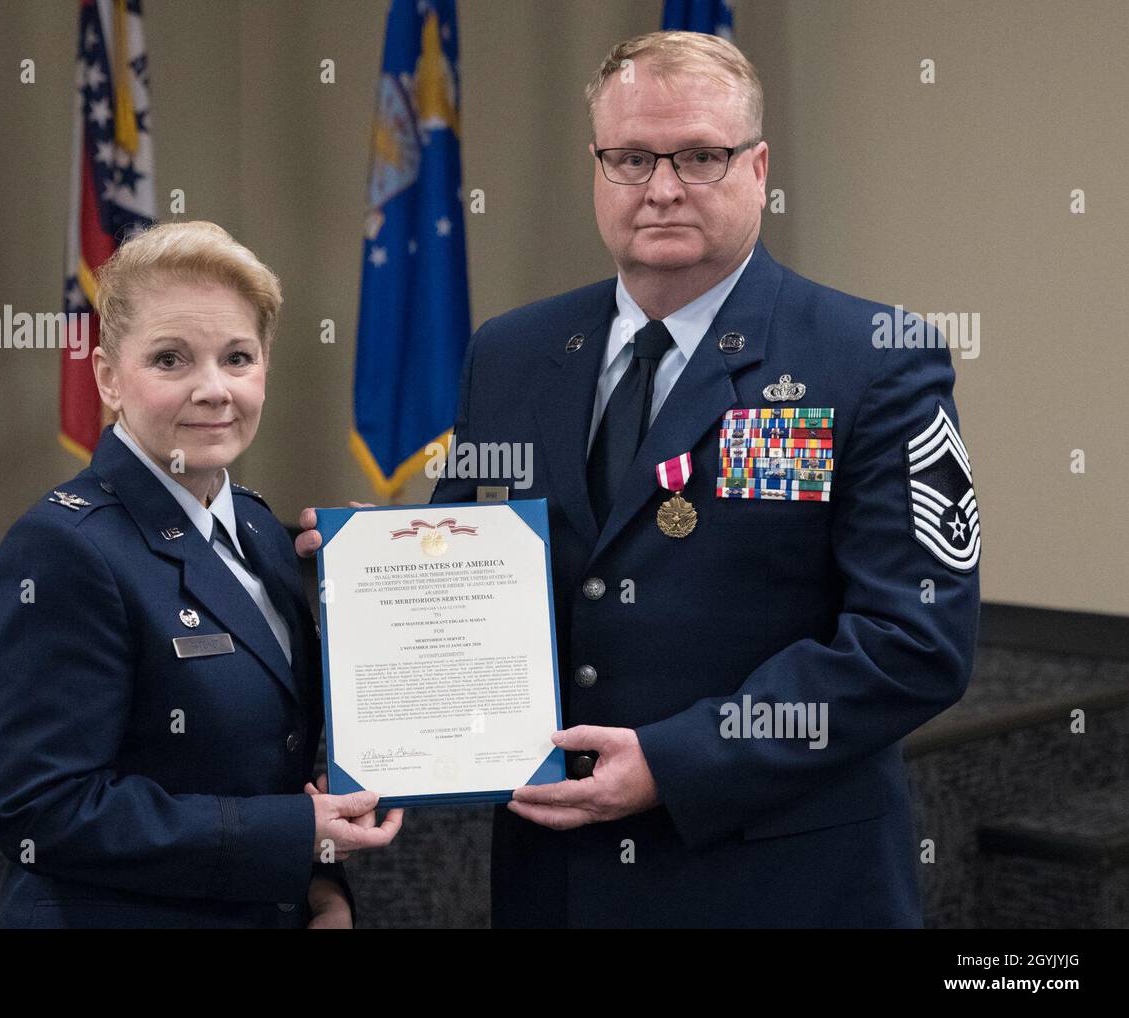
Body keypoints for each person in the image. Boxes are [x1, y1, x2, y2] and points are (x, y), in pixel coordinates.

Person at [299, 31, 980, 927]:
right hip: (560, 877)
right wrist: (373, 572)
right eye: (629, 158)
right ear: (597, 166)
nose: (660, 188)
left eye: (699, 155)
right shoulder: (511, 354)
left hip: (781, 882)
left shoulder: (871, 360)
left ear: (759, 166)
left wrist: (681, 759)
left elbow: (914, 644)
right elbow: (466, 569)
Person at [0, 220, 401, 929]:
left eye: (237, 358)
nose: (213, 389)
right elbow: (42, 810)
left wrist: (322, 887)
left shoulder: (263, 531)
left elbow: (271, 766)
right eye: (170, 360)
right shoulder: (61, 549)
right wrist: (300, 833)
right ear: (109, 377)